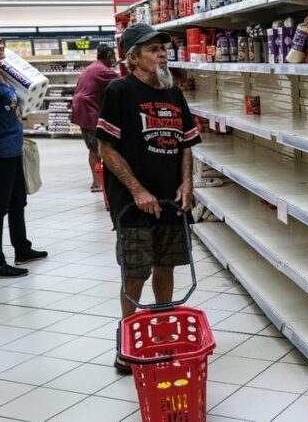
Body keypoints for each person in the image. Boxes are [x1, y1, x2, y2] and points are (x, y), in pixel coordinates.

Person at [95, 23, 200, 373]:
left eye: (162, 48)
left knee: (166, 266)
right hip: (132, 203)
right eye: (152, 49)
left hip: (171, 200)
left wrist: (187, 184)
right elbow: (106, 148)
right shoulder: (119, 91)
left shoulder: (174, 94)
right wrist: (138, 190)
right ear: (133, 56)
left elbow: (186, 144)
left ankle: (162, 332)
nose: (161, 54)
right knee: (135, 272)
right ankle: (126, 346)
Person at [0, 27, 48, 278]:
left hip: (14, 147)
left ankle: (22, 248)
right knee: (0, 206)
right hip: (0, 151)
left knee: (18, 201)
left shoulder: (2, 74)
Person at [71, 43, 119, 192]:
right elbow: (125, 82)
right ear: (109, 57)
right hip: (88, 111)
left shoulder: (93, 66)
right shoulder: (104, 70)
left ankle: (98, 180)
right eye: (113, 57)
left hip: (82, 109)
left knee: (93, 147)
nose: (114, 59)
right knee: (95, 148)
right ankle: (97, 182)